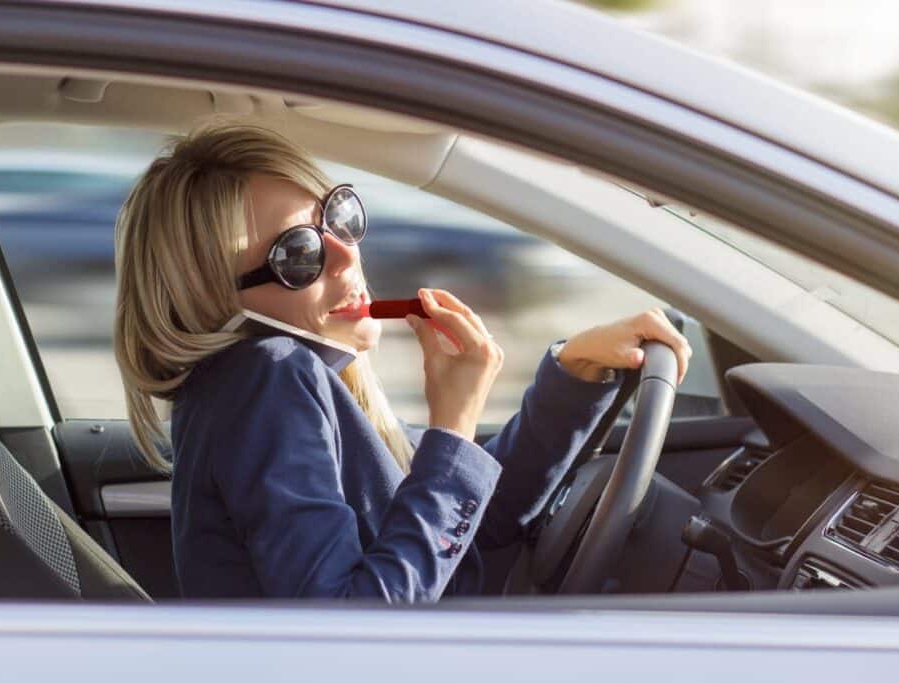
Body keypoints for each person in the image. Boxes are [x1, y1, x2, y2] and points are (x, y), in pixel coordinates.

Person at [114, 121, 691, 602]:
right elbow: (356, 625)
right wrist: (454, 425)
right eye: (299, 253)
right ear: (215, 297)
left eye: (337, 220)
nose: (346, 257)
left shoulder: (298, 380)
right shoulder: (268, 375)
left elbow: (473, 523)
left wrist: (572, 374)